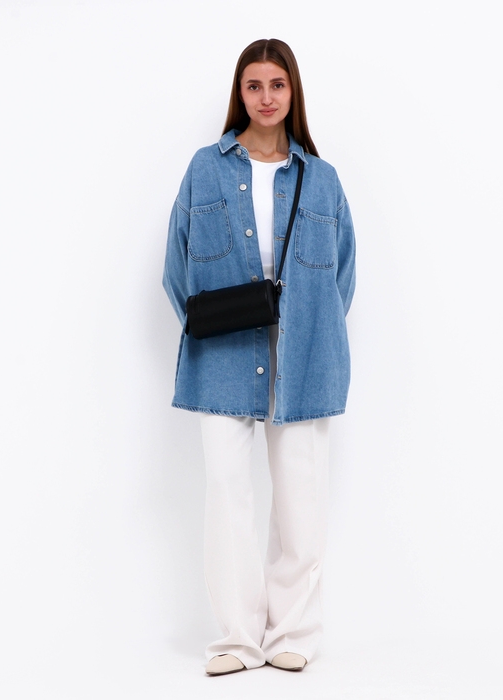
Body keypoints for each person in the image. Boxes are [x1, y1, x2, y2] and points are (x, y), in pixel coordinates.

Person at [162, 38, 356, 676]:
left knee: (301, 496)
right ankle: (237, 639)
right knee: (227, 493)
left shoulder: (321, 179)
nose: (266, 97)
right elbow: (176, 266)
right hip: (223, 352)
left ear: (292, 91)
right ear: (239, 93)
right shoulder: (206, 168)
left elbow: (342, 276)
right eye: (254, 85)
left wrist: (310, 329)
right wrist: (213, 323)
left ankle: (292, 633)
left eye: (277, 84)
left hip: (305, 355)